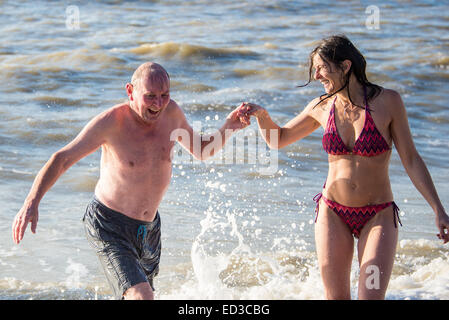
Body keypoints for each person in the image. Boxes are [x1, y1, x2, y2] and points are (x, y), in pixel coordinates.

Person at [11, 62, 249, 300]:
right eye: (150, 96)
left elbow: (201, 150)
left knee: (136, 296)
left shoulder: (172, 114)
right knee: (142, 296)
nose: (158, 104)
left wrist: (229, 126)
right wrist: (31, 202)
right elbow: (61, 159)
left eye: (164, 95)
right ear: (130, 91)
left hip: (149, 230)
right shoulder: (111, 123)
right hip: (109, 225)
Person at [237, 35, 449, 300]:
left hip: (378, 215)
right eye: (314, 69)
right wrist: (262, 116)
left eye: (321, 68)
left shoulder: (388, 102)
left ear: (346, 66)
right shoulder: (321, 106)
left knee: (371, 295)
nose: (316, 76)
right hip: (333, 211)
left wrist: (438, 209)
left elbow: (411, 159)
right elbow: (278, 139)